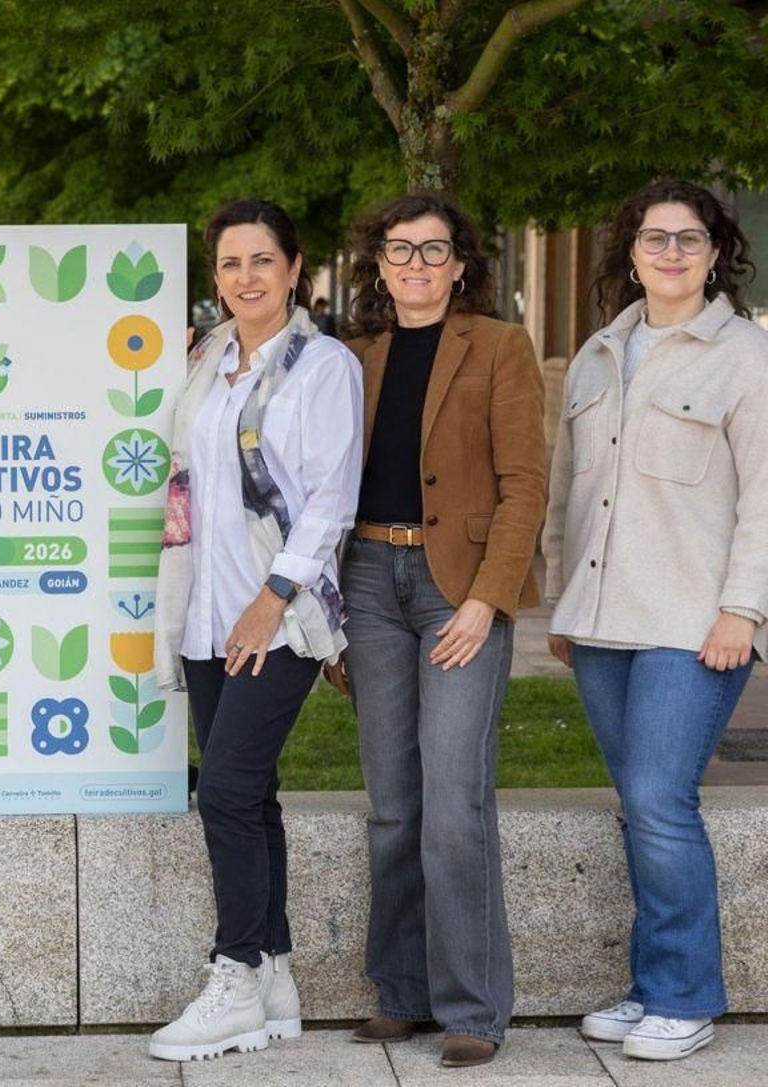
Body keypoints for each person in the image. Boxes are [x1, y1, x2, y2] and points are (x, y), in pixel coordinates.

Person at [544, 179, 768, 1063]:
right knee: (641, 807)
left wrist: (741, 608)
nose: (670, 252)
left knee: (658, 798)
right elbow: (572, 492)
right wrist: (563, 599)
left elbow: (765, 499)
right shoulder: (601, 351)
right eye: (654, 238)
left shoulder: (745, 356)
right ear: (629, 252)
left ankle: (684, 995)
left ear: (717, 253)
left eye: (689, 238)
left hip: (692, 619)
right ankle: (651, 987)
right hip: (603, 621)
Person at [326, 193, 546, 1068]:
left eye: (434, 250)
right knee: (393, 804)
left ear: (461, 264)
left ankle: (473, 1007)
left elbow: (524, 483)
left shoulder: (499, 347)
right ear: (378, 264)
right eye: (399, 250)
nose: (415, 265)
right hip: (371, 582)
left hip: (458, 587)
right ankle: (403, 992)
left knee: (454, 803)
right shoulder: (352, 359)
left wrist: (488, 599)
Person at [149, 198, 362, 1062]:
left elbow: (331, 499)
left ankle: (233, 971)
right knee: (252, 793)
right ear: (216, 276)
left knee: (227, 791)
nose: (247, 277)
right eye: (232, 263)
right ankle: (274, 976)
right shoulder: (206, 357)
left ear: (294, 267)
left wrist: (272, 598)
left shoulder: (323, 365)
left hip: (279, 618)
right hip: (205, 610)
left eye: (263, 261)